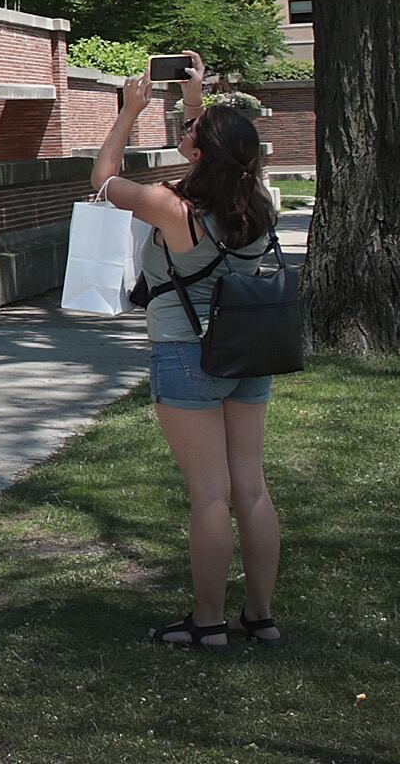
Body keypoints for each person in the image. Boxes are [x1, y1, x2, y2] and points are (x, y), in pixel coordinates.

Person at [90, 52, 285, 650]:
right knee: (250, 489)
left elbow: (101, 179)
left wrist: (128, 113)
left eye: (189, 134)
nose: (183, 137)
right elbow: (219, 161)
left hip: (186, 354)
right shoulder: (258, 206)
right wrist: (197, 106)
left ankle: (208, 622)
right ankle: (260, 614)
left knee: (209, 495)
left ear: (198, 153)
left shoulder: (170, 207)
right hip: (250, 351)